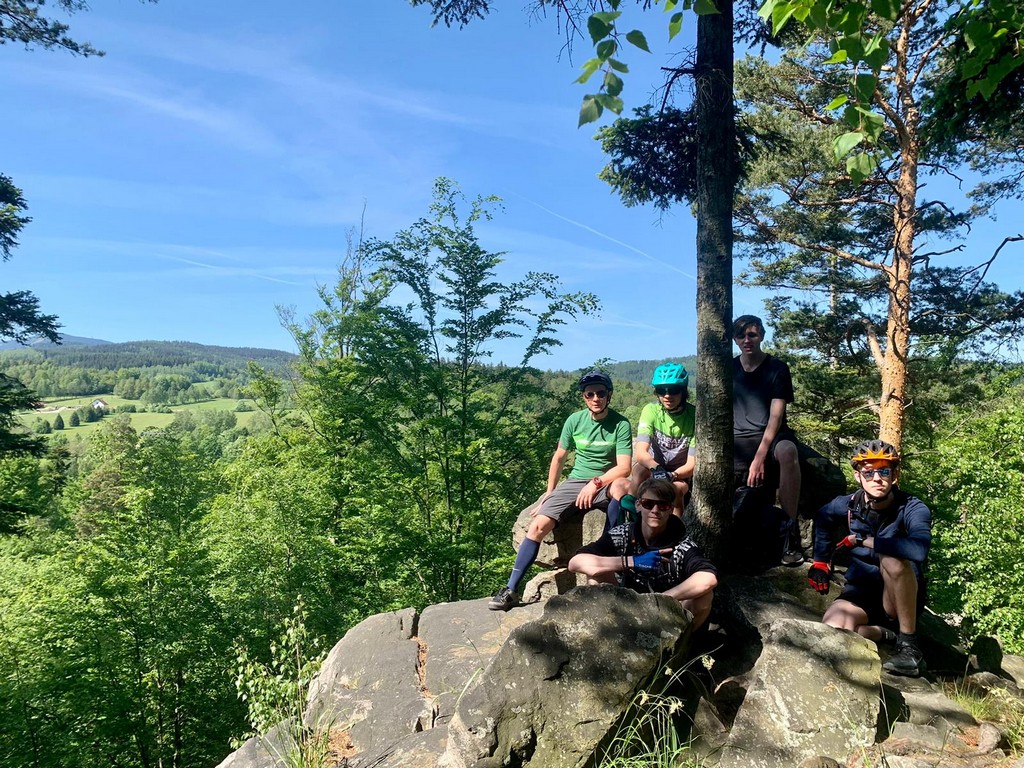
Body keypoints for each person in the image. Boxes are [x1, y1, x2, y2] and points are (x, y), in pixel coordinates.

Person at [488, 369, 632, 611]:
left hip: (604, 482)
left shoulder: (620, 423)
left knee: (622, 486)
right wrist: (550, 492)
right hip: (575, 482)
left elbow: (624, 468)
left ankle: (610, 555)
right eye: (589, 394)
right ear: (584, 397)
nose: (595, 398)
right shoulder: (574, 421)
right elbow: (559, 457)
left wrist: (596, 483)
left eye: (600, 393)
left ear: (609, 394)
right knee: (537, 526)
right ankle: (511, 589)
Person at [808, 440, 932, 677]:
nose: (877, 478)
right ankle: (885, 634)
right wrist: (820, 562)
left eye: (884, 471)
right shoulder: (848, 505)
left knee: (892, 559)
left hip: (898, 596)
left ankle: (909, 646)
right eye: (869, 472)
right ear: (858, 476)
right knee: (832, 631)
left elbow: (919, 550)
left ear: (894, 475)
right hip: (861, 591)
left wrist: (864, 540)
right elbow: (823, 517)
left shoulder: (912, 507)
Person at [568, 477, 718, 630]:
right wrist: (633, 561)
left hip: (667, 614)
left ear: (671, 509)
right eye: (648, 504)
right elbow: (575, 563)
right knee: (595, 574)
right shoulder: (623, 534)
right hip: (626, 608)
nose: (655, 510)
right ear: (638, 505)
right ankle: (610, 632)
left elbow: (708, 578)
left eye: (663, 505)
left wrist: (660, 600)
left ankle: (683, 643)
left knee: (705, 596)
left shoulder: (681, 545)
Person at [732, 314, 803, 565]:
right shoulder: (728, 369)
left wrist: (760, 457)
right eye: (741, 335)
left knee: (788, 452)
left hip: (771, 435)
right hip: (737, 437)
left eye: (752, 334)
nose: (747, 340)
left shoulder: (777, 368)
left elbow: (776, 416)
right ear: (735, 339)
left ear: (761, 335)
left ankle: (790, 531)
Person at [631, 362, 695, 517]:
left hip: (679, 473)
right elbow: (641, 453)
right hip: (654, 467)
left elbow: (692, 464)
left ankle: (677, 528)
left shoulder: (694, 415)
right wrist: (657, 469)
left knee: (676, 490)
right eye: (661, 390)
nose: (667, 395)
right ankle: (631, 514)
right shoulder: (651, 410)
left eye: (673, 390)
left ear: (683, 391)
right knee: (639, 470)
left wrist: (672, 475)